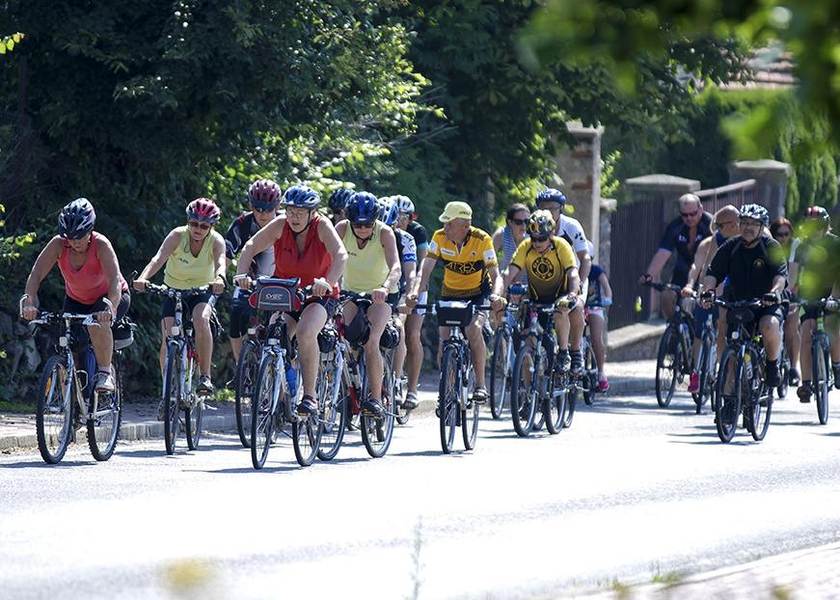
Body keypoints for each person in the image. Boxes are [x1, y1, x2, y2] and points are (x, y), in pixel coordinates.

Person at [234, 184, 348, 417]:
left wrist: (327, 281)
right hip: (287, 292)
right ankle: (283, 384)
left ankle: (310, 397)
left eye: (300, 212)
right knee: (276, 332)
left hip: (319, 295)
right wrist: (242, 274)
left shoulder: (322, 226)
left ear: (312, 212)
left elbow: (340, 255)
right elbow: (251, 246)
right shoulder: (280, 224)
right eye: (290, 210)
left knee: (306, 331)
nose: (293, 217)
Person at [21, 198, 130, 393]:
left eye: (80, 236)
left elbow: (114, 280)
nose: (75, 241)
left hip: (109, 297)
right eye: (70, 237)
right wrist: (29, 301)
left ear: (90, 230)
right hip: (76, 299)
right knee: (67, 344)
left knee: (96, 324)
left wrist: (110, 308)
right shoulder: (58, 245)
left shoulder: (101, 245)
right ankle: (72, 406)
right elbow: (36, 274)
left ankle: (105, 372)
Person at [406, 201, 505, 403]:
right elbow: (426, 267)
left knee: (473, 330)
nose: (445, 227)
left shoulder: (482, 239)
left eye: (449, 224)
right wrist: (415, 291)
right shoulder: (440, 237)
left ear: (465, 226)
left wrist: (496, 295)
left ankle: (480, 385)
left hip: (478, 293)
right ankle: (448, 389)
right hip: (450, 293)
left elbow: (496, 274)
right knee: (445, 339)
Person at [134, 198, 226, 395]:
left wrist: (219, 279)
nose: (198, 229)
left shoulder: (216, 241)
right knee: (167, 335)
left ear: (211, 226)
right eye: (193, 223)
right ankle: (167, 390)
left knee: (201, 320)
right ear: (188, 222)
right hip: (173, 290)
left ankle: (205, 377)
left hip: (201, 290)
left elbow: (220, 264)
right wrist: (143, 277)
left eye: (203, 225)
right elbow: (158, 259)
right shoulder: (177, 235)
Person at [700, 204, 786, 388]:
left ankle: (772, 366)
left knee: (768, 325)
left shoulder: (771, 246)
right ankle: (729, 394)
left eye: (753, 224)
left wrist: (774, 292)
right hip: (737, 301)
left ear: (762, 227)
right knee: (731, 340)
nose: (748, 227)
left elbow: (780, 275)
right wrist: (708, 291)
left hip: (766, 302)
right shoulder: (730, 246)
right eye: (744, 222)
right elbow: (713, 273)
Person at [335, 192, 402, 416]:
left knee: (371, 341)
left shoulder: (384, 232)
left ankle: (375, 400)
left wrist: (384, 287)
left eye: (367, 225)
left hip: (379, 295)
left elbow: (396, 267)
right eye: (358, 225)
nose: (363, 229)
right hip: (350, 292)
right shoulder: (342, 229)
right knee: (341, 337)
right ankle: (343, 388)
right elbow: (328, 258)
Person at [502, 209, 580, 372]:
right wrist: (500, 291)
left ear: (551, 234)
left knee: (561, 312)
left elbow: (573, 273)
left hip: (561, 295)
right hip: (537, 298)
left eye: (542, 239)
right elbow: (510, 272)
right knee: (528, 336)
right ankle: (530, 387)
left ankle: (564, 353)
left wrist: (572, 294)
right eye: (534, 238)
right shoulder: (526, 246)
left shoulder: (561, 246)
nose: (537, 243)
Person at [680, 204, 740, 392]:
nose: (718, 231)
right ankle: (696, 372)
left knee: (724, 327)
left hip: (735, 288)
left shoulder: (745, 238)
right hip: (717, 287)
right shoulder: (716, 239)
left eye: (721, 226)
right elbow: (707, 266)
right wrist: (703, 289)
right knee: (700, 328)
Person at [225, 179, 280, 365]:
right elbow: (227, 252)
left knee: (282, 327)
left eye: (268, 209)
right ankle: (241, 368)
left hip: (280, 281)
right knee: (235, 316)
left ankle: (285, 371)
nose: (263, 214)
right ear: (250, 205)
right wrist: (219, 276)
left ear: (277, 206)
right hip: (249, 280)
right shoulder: (242, 223)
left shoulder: (287, 224)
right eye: (258, 208)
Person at [535, 188, 591, 374]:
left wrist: (580, 285)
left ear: (561, 209)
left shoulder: (572, 226)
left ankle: (574, 352)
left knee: (574, 308)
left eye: (553, 208)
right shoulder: (535, 226)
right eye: (543, 208)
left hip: (572, 278)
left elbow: (584, 258)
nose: (548, 212)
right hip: (546, 279)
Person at [792, 206, 840, 401]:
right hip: (810, 292)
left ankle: (836, 366)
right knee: (805, 331)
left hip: (833, 289)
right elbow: (793, 271)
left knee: (832, 328)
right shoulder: (800, 245)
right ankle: (806, 384)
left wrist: (835, 297)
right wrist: (790, 293)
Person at [643, 193, 712, 320]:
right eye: (684, 215)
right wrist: (649, 275)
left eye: (693, 214)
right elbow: (663, 253)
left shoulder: (710, 225)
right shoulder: (675, 226)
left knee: (702, 310)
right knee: (666, 295)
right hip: (682, 272)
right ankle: (674, 328)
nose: (689, 218)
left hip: (705, 273)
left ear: (701, 209)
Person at [380, 196, 418, 408]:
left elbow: (410, 273)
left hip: (399, 290)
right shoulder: (370, 234)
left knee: (398, 327)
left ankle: (394, 379)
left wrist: (411, 294)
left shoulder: (406, 239)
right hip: (374, 289)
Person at [394, 195, 430, 406]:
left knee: (412, 334)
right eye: (396, 216)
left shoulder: (417, 232)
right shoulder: (385, 230)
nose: (400, 220)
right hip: (393, 284)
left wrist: (416, 286)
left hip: (415, 283)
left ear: (411, 217)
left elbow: (423, 260)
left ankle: (413, 389)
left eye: (404, 217)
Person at [770, 217, 802, 386]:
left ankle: (793, 368)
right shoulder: (768, 245)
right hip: (772, 290)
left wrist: (790, 292)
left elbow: (794, 272)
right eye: (778, 234)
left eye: (785, 234)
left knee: (791, 326)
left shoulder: (795, 246)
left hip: (793, 289)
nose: (782, 238)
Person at [584, 241, 613, 391]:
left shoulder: (596, 271)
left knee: (596, 338)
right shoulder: (573, 269)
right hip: (577, 307)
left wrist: (608, 298)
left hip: (594, 307)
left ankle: (601, 372)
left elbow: (606, 286)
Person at [492, 203, 530, 275]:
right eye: (518, 222)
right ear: (510, 222)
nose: (524, 226)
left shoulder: (534, 235)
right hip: (506, 279)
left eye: (526, 221)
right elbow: (488, 259)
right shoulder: (502, 234)